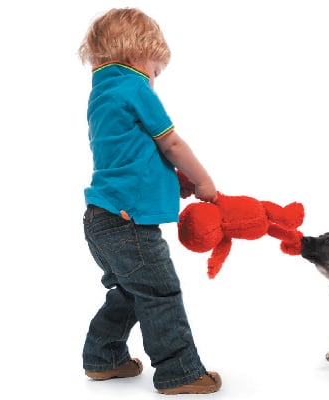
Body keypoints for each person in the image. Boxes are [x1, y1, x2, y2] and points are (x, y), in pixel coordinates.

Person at [78, 8, 222, 395]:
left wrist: (172, 182)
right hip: (129, 223)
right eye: (156, 70)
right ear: (136, 56)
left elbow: (129, 157)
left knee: (131, 291)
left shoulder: (102, 94)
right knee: (160, 292)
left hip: (101, 219)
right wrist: (201, 180)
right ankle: (180, 372)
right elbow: (170, 142)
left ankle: (103, 358)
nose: (155, 80)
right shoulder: (135, 87)